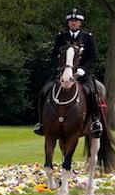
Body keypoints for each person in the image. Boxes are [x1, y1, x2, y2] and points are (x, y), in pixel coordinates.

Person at [34, 8, 104, 138]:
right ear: (68, 23)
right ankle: (41, 123)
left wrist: (83, 70)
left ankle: (95, 121)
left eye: (76, 20)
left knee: (91, 93)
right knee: (44, 91)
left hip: (81, 74)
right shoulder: (61, 37)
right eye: (71, 20)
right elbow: (54, 55)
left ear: (80, 23)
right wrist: (59, 69)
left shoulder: (87, 38)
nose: (73, 23)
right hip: (62, 73)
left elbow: (92, 56)